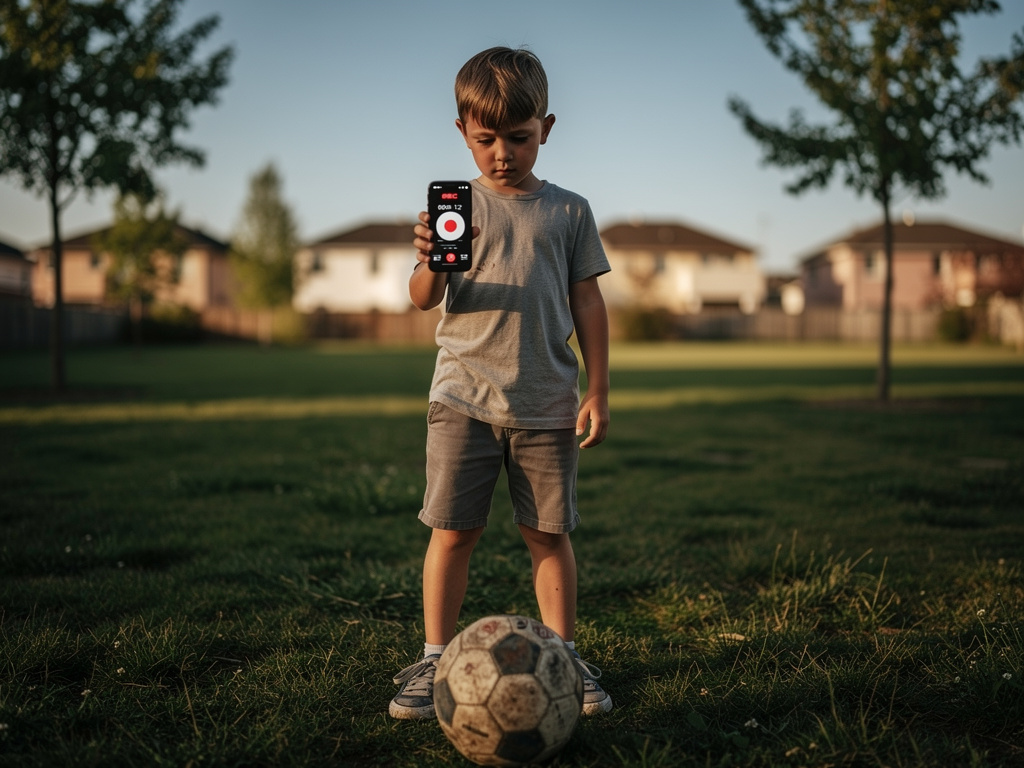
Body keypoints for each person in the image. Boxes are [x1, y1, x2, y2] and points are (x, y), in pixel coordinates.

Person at [389, 46, 612, 720]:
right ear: (462, 132)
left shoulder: (569, 213)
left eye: (519, 137)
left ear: (546, 127)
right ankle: (433, 660)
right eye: (486, 139)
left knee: (548, 535)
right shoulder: (457, 210)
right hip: (461, 398)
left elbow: (589, 305)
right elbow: (422, 298)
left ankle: (564, 657)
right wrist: (429, 259)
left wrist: (598, 387)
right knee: (453, 531)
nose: (502, 153)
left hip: (546, 402)